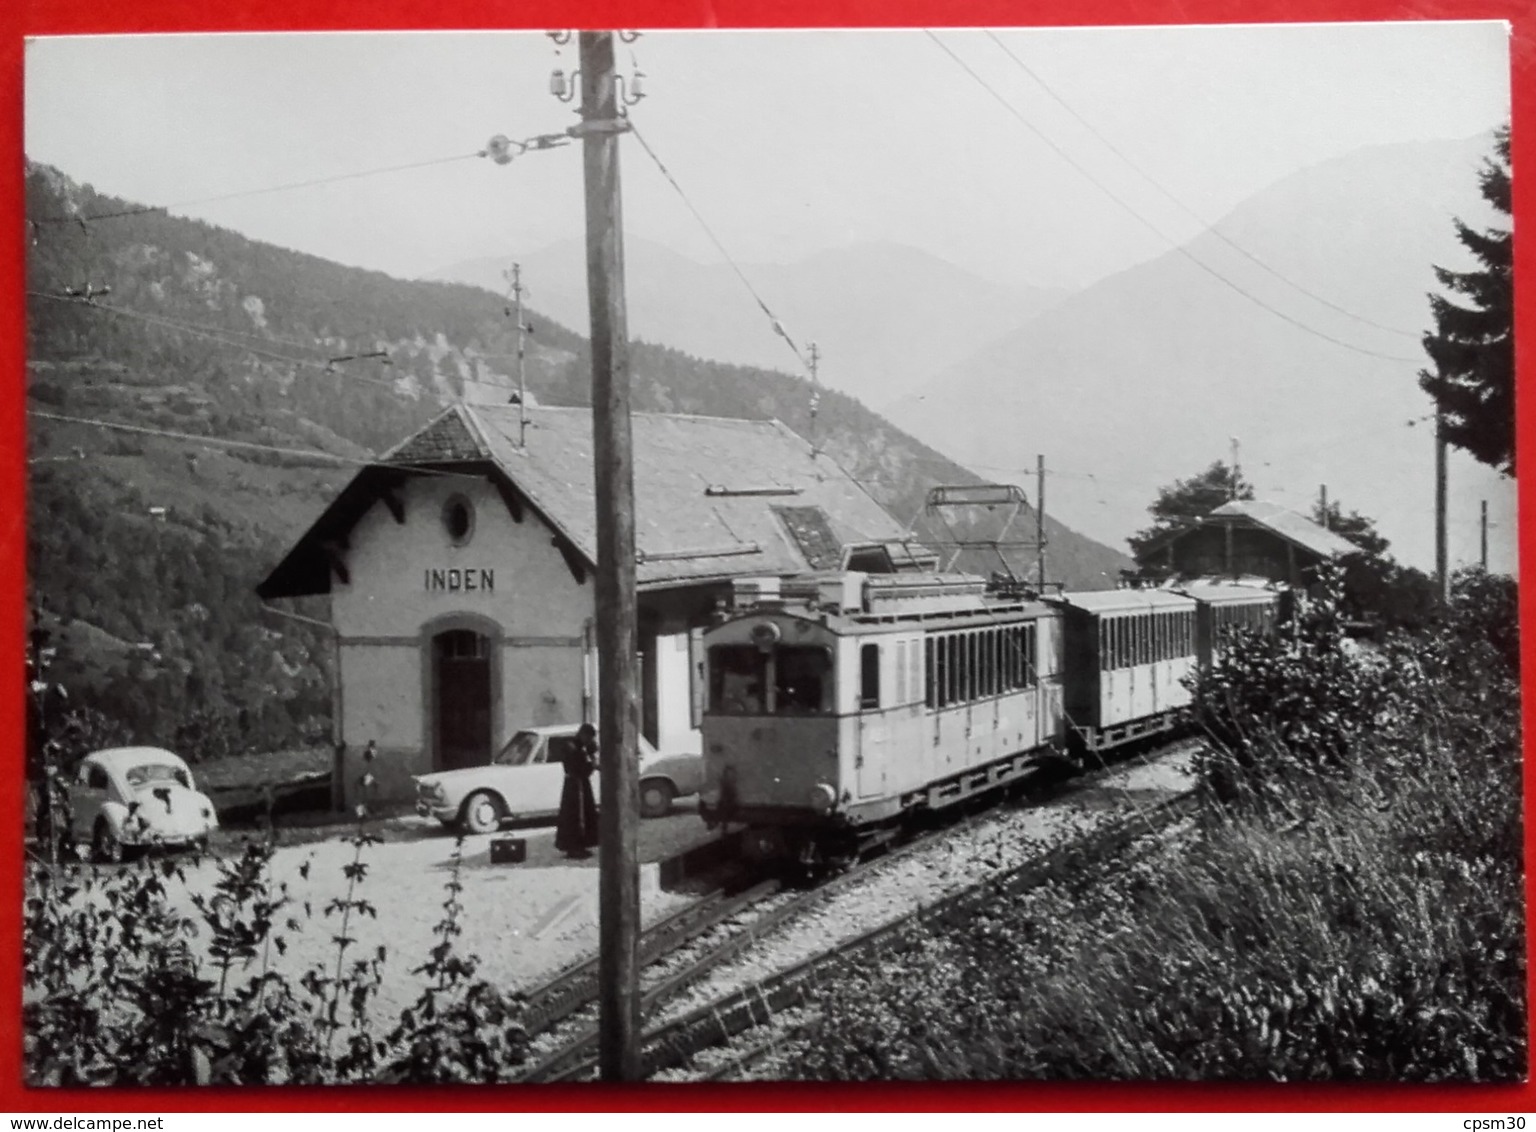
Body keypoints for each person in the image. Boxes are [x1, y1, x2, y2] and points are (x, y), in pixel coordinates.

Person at [554, 723, 599, 859]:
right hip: (574, 785)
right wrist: (592, 762)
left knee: (585, 814)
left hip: (581, 784)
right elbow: (579, 767)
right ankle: (573, 847)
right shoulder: (571, 747)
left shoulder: (581, 747)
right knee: (575, 817)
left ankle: (582, 845)